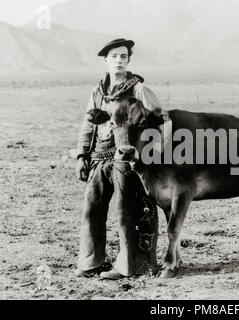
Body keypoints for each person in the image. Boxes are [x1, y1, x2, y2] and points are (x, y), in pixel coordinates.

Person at [75, 38, 169, 280]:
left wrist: (153, 153)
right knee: (91, 208)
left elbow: (163, 121)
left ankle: (133, 267)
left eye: (124, 56)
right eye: (114, 56)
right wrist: (81, 155)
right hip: (99, 157)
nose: (119, 60)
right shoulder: (98, 91)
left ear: (128, 60)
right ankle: (91, 262)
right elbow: (88, 124)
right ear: (105, 60)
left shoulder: (139, 90)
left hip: (128, 159)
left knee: (129, 211)